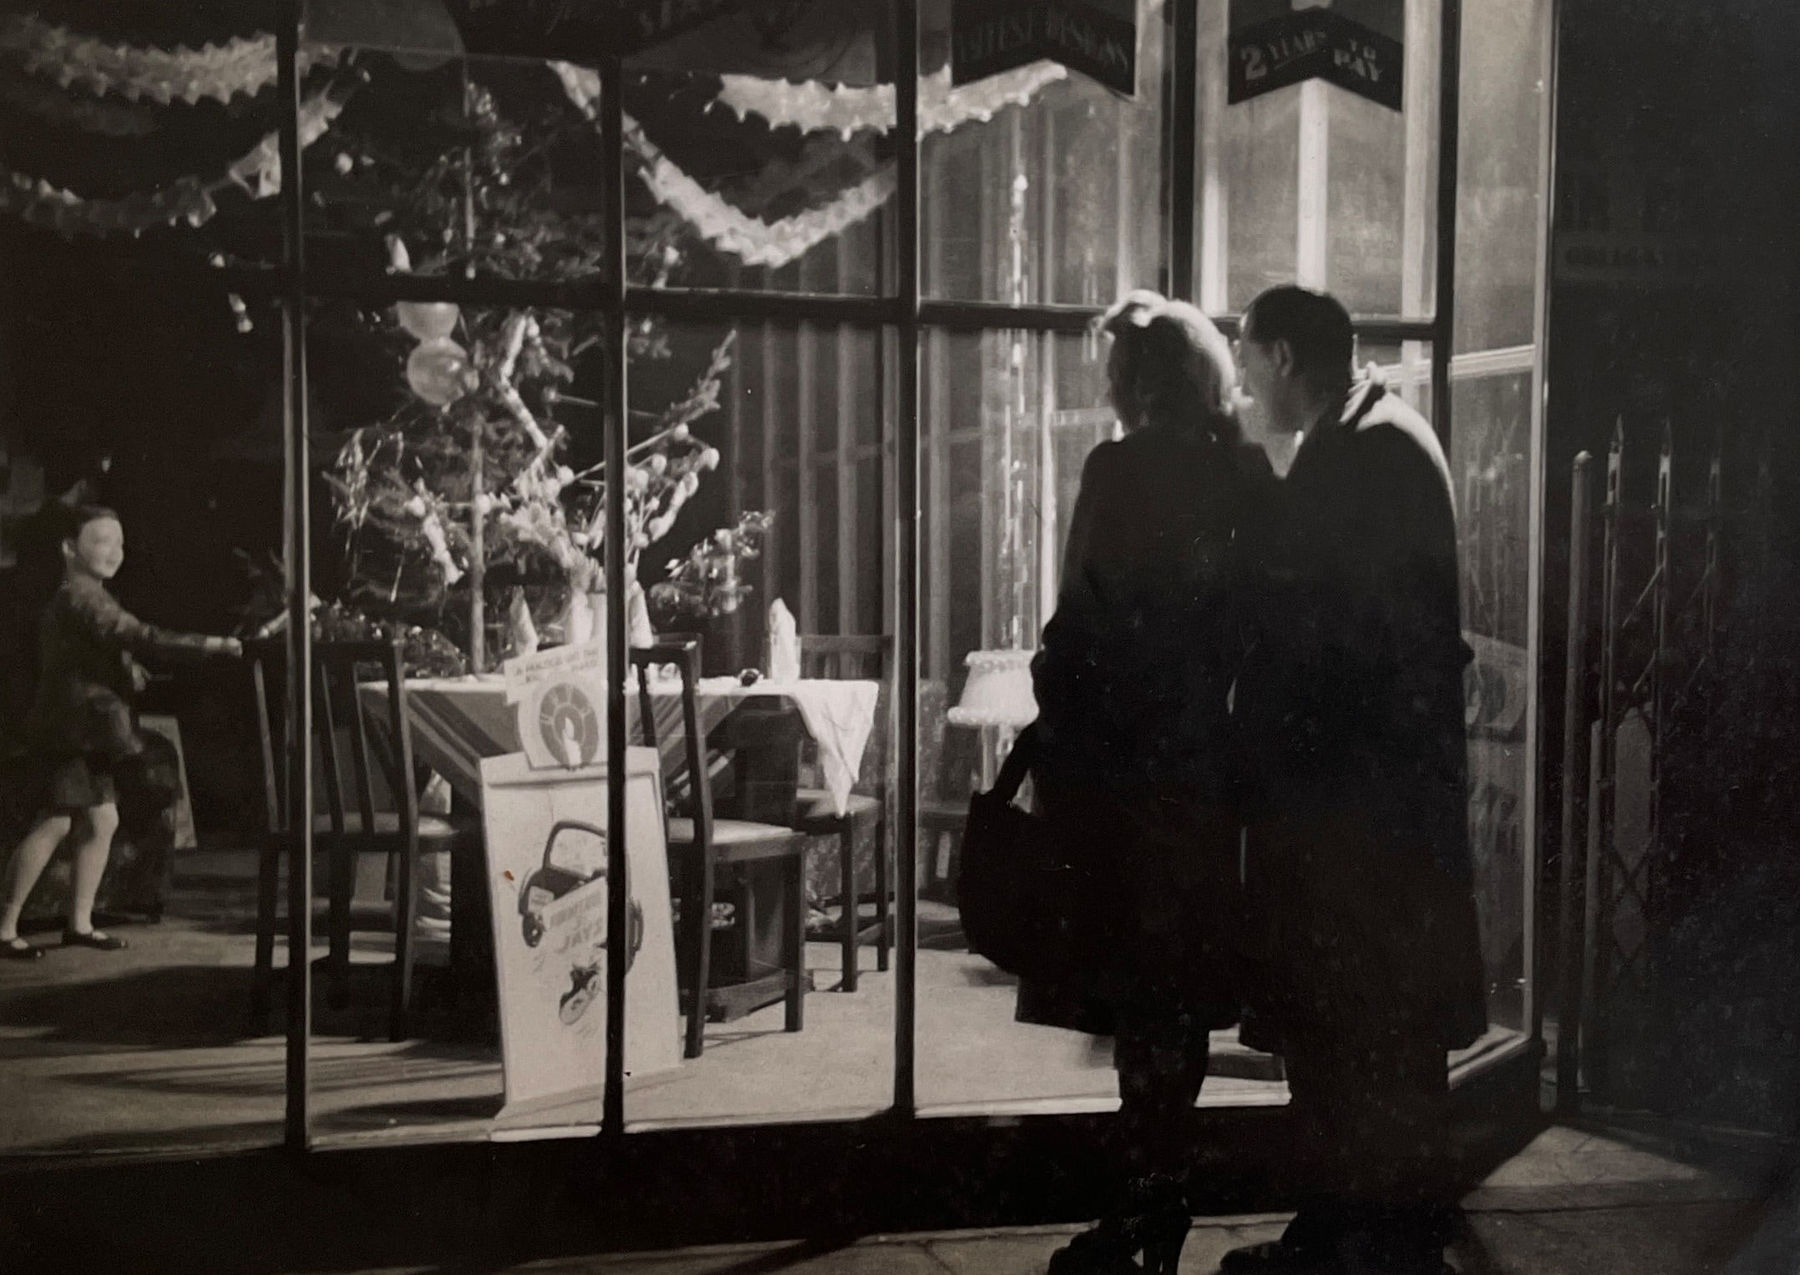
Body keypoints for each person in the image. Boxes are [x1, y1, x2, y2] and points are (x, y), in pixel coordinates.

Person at [1227, 285, 1488, 1275]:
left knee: (1342, 1017)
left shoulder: (1355, 453)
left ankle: (1346, 1227)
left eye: (1248, 361)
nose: (1245, 384)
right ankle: (1386, 1219)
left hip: (1348, 808)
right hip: (1386, 801)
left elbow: (1317, 640)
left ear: (1286, 357)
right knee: (1386, 1018)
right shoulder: (1388, 432)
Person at [1027, 291, 1274, 1275]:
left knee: (1138, 997)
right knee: (1179, 993)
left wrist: (1058, 707)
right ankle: (1161, 1204)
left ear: (1136, 380)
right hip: (1204, 769)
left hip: (1123, 774)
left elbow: (1078, 618)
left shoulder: (1118, 469)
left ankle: (1142, 1213)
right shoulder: (1243, 472)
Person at [0, 505, 241, 958]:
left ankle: (79, 923)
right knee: (55, 820)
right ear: (70, 548)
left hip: (88, 729)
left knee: (101, 820)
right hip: (71, 729)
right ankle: (6, 925)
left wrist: (126, 669)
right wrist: (209, 645)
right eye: (102, 541)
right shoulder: (81, 595)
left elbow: (99, 652)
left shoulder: (87, 594)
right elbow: (136, 634)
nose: (115, 551)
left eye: (121, 542)